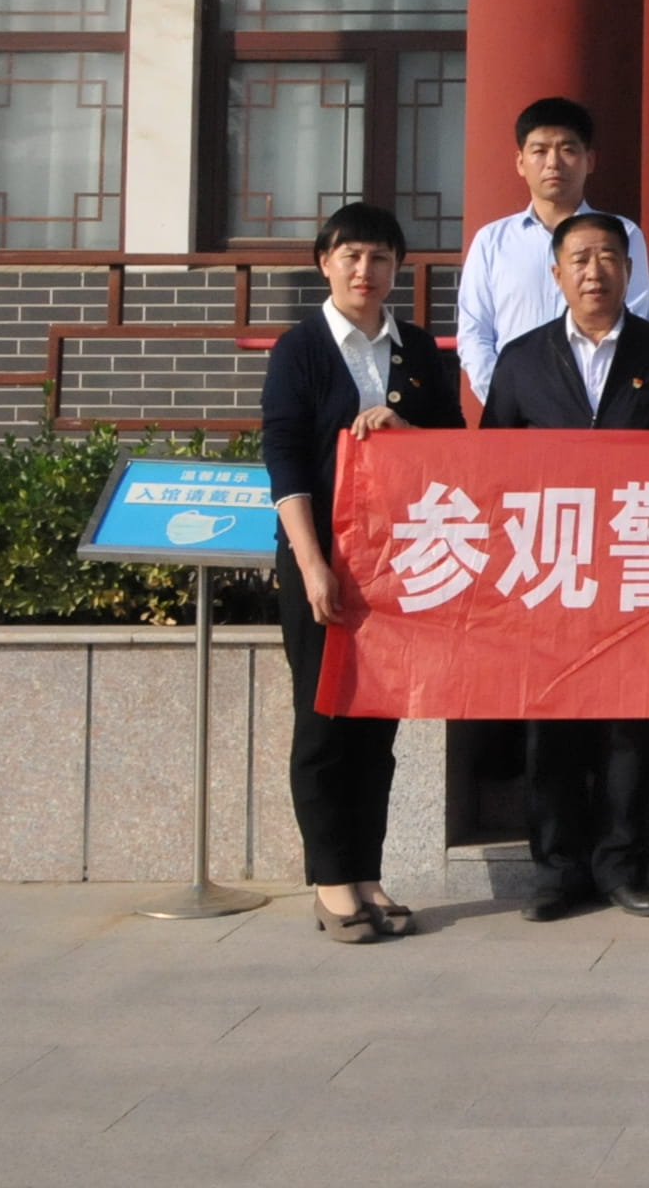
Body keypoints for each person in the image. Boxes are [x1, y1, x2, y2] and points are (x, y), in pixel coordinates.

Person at [480, 211, 649, 921]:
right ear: (556, 274)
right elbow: (493, 465)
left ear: (630, 271)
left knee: (628, 723)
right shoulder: (521, 359)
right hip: (552, 567)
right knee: (552, 723)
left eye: (608, 257)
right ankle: (556, 871)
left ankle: (623, 868)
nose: (594, 271)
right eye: (579, 259)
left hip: (637, 561)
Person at [261, 201, 465, 943]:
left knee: (377, 727)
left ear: (397, 268)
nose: (365, 270)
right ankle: (330, 881)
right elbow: (284, 458)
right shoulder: (301, 349)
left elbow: (454, 445)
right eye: (350, 255)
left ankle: (368, 873)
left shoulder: (417, 348)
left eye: (380, 257)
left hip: (395, 564)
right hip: (322, 560)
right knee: (323, 723)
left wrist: (406, 430)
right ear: (325, 263)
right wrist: (311, 564)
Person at [455, 97, 649, 401]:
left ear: (590, 160)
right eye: (540, 151)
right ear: (520, 162)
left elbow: (635, 319)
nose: (553, 163)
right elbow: (474, 333)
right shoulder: (491, 241)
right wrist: (506, 398)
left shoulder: (623, 234)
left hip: (600, 405)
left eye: (567, 150)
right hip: (515, 410)